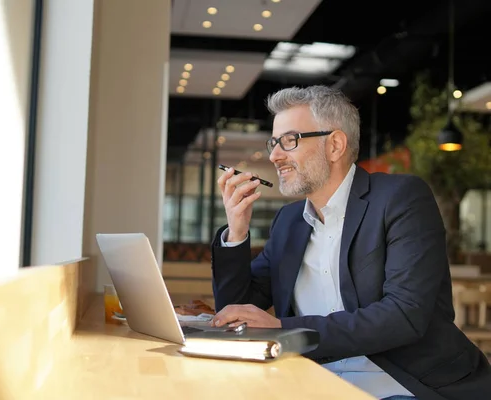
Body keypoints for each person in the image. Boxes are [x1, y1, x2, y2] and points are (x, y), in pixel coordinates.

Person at [210, 85, 491, 400]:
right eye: (274, 142)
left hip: (404, 385)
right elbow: (234, 309)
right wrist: (236, 232)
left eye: (289, 140)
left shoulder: (400, 199)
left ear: (335, 145)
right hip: (312, 380)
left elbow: (404, 314)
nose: (274, 155)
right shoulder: (289, 222)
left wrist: (283, 329)